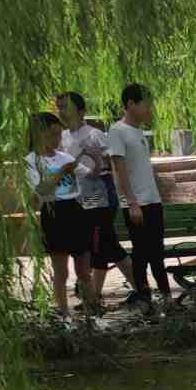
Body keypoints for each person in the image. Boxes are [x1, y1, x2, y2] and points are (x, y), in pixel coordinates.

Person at [57, 91, 129, 313]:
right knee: (94, 246)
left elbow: (112, 164)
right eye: (58, 107)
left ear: (81, 110)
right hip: (76, 197)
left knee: (104, 242)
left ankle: (140, 291)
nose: (61, 111)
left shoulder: (95, 135)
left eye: (65, 106)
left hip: (99, 195)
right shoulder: (62, 137)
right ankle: (93, 297)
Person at [103, 82, 169, 310]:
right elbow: (118, 170)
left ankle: (167, 299)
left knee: (157, 253)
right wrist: (131, 203)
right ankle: (145, 300)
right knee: (141, 254)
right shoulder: (117, 131)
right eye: (145, 105)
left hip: (152, 201)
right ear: (130, 104)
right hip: (136, 203)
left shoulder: (138, 131)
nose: (149, 110)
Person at [24, 112, 82, 319]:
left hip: (75, 210)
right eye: (52, 135)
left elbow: (87, 175)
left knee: (84, 268)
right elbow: (36, 195)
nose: (57, 140)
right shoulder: (31, 161)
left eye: (59, 135)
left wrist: (92, 156)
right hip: (54, 212)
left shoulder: (65, 157)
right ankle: (64, 312)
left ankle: (92, 310)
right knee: (61, 270)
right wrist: (59, 175)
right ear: (38, 134)